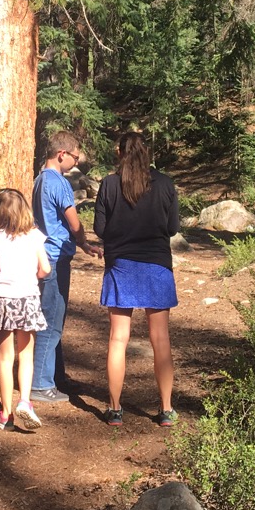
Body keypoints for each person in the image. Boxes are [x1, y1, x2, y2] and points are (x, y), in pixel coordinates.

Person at [94, 131, 181, 427]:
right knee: (161, 339)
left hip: (121, 266)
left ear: (120, 153)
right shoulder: (165, 184)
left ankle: (115, 409)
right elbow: (172, 227)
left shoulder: (109, 184)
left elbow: (101, 229)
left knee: (118, 338)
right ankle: (166, 409)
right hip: (157, 266)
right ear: (147, 153)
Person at [30, 130, 103, 403]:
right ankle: (40, 384)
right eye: (75, 157)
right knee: (51, 322)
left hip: (44, 256)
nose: (77, 162)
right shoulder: (59, 183)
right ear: (62, 154)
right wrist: (83, 241)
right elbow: (73, 222)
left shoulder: (39, 180)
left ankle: (55, 377)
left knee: (53, 318)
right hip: (55, 258)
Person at [0, 188, 53, 432]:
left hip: (2, 300)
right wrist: (33, 275)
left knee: (5, 358)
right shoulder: (33, 235)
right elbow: (46, 269)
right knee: (27, 355)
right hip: (28, 298)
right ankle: (25, 402)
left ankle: (5, 414)